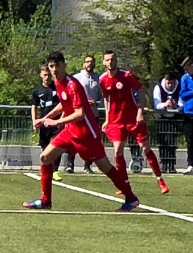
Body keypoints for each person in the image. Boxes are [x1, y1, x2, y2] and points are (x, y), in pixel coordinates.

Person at [23, 51, 140, 212]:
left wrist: (56, 122)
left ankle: (131, 198)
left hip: (86, 134)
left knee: (104, 166)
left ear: (64, 65)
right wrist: (44, 118)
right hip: (71, 131)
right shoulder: (58, 82)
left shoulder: (72, 85)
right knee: (45, 157)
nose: (54, 69)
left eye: (57, 65)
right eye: (51, 66)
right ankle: (46, 201)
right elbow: (64, 104)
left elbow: (80, 114)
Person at [99, 50, 170, 194]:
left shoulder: (126, 75)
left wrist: (140, 111)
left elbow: (141, 91)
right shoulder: (103, 79)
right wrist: (107, 119)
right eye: (107, 60)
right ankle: (124, 184)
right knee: (118, 150)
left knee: (145, 148)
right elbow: (107, 99)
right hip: (116, 121)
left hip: (133, 119)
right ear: (103, 62)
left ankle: (160, 179)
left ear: (116, 60)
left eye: (112, 59)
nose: (110, 62)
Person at [63, 54, 103, 174]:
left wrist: (96, 102)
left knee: (91, 141)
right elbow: (69, 95)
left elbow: (103, 97)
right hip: (78, 114)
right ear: (83, 64)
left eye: (91, 61)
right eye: (87, 61)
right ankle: (70, 164)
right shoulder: (77, 78)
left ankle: (88, 165)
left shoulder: (99, 79)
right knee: (74, 138)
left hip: (93, 115)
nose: (89, 64)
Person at [30, 64, 62, 181]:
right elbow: (34, 106)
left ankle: (55, 170)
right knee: (44, 148)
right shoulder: (37, 91)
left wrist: (61, 120)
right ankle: (46, 169)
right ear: (41, 75)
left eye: (48, 75)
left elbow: (63, 104)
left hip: (55, 122)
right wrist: (34, 121)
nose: (47, 77)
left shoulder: (57, 87)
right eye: (45, 75)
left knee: (56, 145)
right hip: (43, 123)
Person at [152, 72, 182, 174]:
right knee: (162, 142)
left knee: (172, 142)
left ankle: (172, 165)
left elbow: (182, 104)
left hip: (174, 118)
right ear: (165, 81)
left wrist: (176, 105)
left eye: (172, 83)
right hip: (161, 118)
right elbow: (157, 104)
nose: (170, 85)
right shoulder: (158, 88)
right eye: (168, 83)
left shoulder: (179, 87)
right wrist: (165, 104)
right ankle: (164, 164)